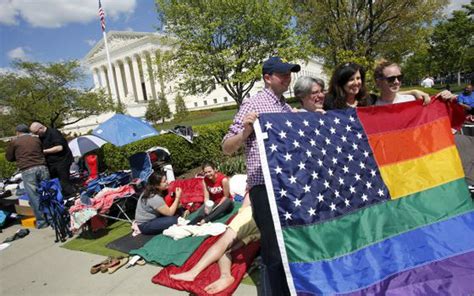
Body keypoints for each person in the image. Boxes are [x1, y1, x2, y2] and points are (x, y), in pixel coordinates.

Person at [222, 56, 300, 296]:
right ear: (268, 78)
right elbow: (226, 146)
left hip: (285, 186)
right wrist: (245, 131)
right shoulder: (253, 104)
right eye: (282, 74)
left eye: (289, 73)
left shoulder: (284, 107)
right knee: (272, 247)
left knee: (287, 244)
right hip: (263, 186)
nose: (288, 78)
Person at [170, 194, 260, 294]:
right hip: (264, 226)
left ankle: (193, 273)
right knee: (228, 250)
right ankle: (225, 276)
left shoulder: (257, 186)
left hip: (251, 215)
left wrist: (243, 209)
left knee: (223, 242)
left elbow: (247, 201)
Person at [5, 124, 50, 229]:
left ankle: (42, 222)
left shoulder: (15, 142)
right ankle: (53, 216)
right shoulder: (36, 140)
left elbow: (9, 157)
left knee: (34, 196)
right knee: (47, 192)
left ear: (17, 132)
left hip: (28, 169)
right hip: (42, 167)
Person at [29, 122, 75, 198]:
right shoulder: (41, 137)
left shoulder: (54, 133)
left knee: (64, 182)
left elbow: (59, 147)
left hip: (62, 161)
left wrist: (44, 152)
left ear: (41, 128)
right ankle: (61, 199)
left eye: (36, 132)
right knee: (54, 183)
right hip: (51, 163)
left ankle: (72, 197)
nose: (37, 135)